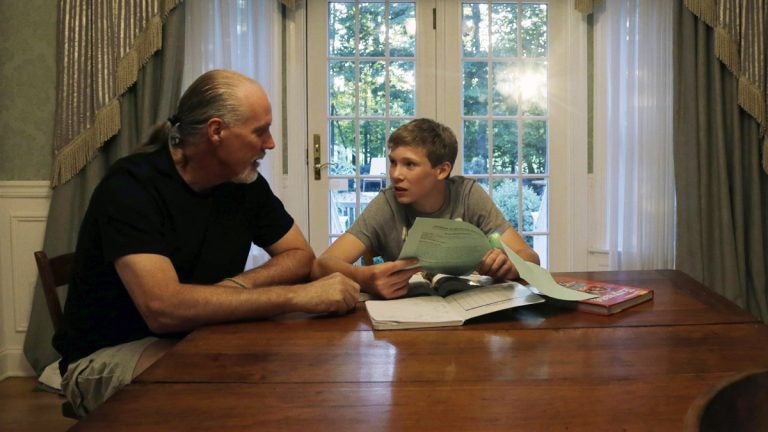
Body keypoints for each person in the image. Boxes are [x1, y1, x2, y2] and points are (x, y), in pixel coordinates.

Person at [52, 69, 360, 417]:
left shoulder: (243, 182)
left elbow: (299, 255)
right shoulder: (131, 187)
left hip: (196, 335)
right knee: (228, 389)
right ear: (216, 131)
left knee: (287, 369)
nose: (270, 143)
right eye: (260, 131)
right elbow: (164, 310)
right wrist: (296, 295)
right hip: (106, 355)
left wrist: (235, 287)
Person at [311, 118, 539, 299]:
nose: (395, 174)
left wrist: (511, 266)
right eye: (393, 162)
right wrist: (362, 277)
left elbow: (530, 257)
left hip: (471, 314)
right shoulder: (387, 203)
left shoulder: (468, 195)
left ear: (442, 171)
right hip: (409, 322)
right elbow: (321, 266)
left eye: (409, 164)